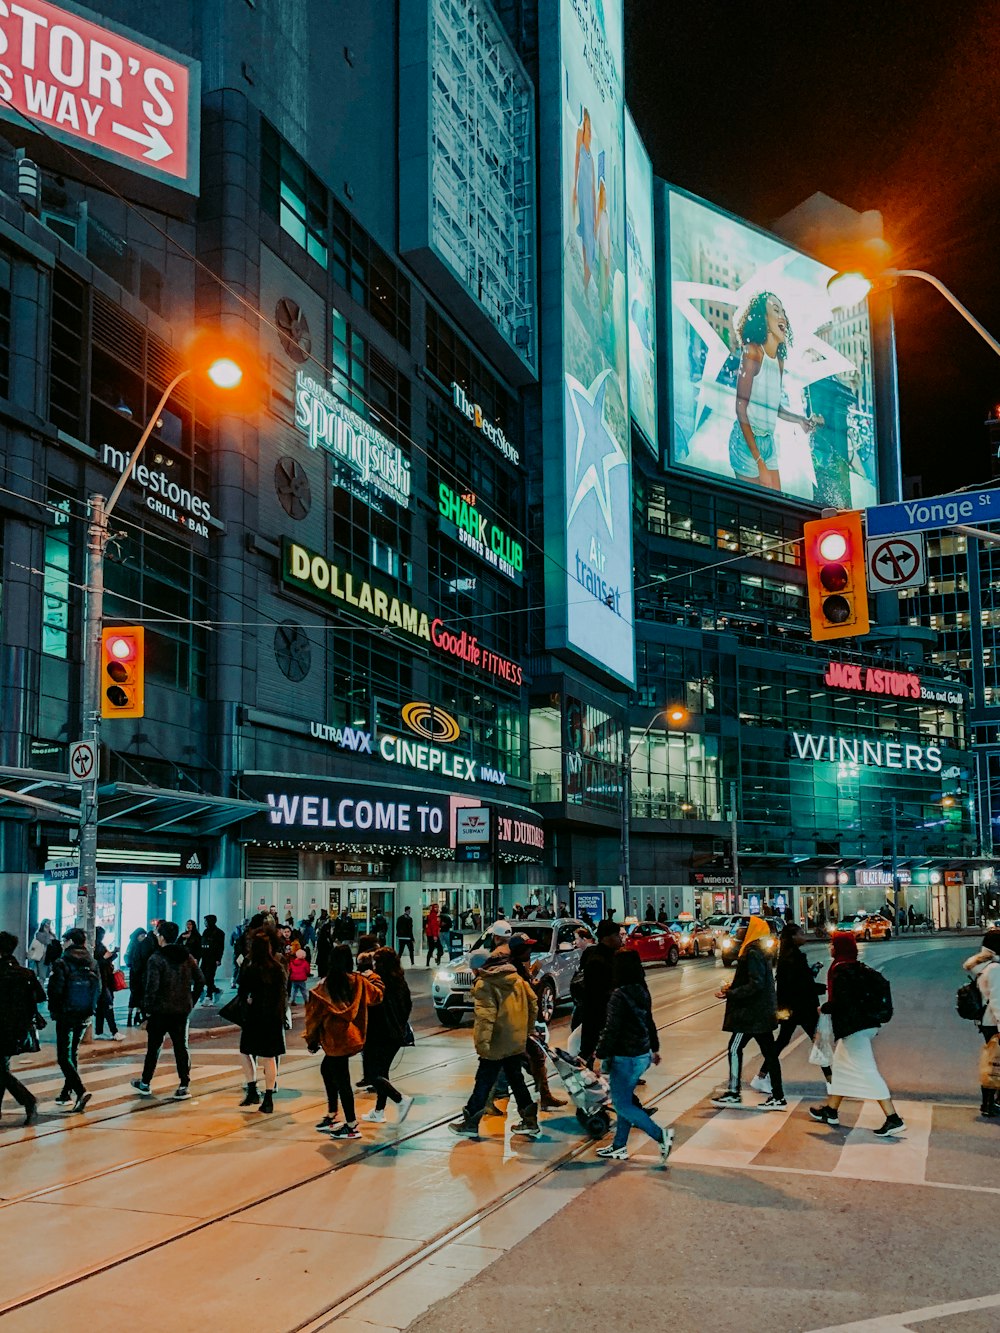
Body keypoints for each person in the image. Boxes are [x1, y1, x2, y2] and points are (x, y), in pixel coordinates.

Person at [809, 931, 904, 1136]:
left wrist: (825, 1008)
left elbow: (843, 1001)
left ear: (840, 948)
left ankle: (893, 1118)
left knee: (867, 1070)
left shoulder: (841, 970)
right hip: (864, 1024)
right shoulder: (853, 966)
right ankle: (831, 1110)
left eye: (833, 944)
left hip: (856, 1028)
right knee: (842, 1068)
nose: (830, 947)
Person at [730, 291, 823, 492]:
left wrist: (799, 419)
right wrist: (759, 462)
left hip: (767, 442)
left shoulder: (778, 361)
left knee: (774, 509)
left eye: (783, 311)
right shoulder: (752, 352)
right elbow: (740, 409)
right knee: (757, 510)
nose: (782, 316)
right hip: (746, 444)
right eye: (775, 310)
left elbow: (774, 406)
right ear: (763, 319)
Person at [449, 947, 540, 1139]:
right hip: (515, 1040)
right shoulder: (516, 979)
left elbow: (485, 1018)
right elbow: (533, 1002)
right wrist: (528, 1029)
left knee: (483, 1081)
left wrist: (482, 1046)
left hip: (495, 1043)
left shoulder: (485, 984)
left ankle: (470, 1122)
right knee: (516, 1079)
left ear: (478, 968)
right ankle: (530, 1120)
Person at [594, 948, 673, 1165]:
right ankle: (619, 1146)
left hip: (624, 1058)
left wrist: (600, 1056)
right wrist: (655, 1048)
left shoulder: (619, 995)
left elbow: (612, 1029)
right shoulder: (641, 990)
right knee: (624, 1100)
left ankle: (660, 1136)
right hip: (641, 1055)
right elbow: (649, 1021)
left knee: (622, 1105)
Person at [305, 943, 384, 1140]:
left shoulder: (324, 986)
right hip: (351, 1036)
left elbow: (314, 1016)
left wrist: (311, 1040)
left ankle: (350, 1125)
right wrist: (372, 976)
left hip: (333, 1039)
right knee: (330, 1071)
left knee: (341, 1080)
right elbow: (378, 996)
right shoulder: (358, 981)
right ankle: (333, 1115)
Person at [712, 916, 786, 1110]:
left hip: (751, 1015)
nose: (741, 930)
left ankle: (734, 1092)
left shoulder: (752, 952)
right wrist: (734, 986)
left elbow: (756, 983)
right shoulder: (760, 951)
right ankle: (778, 1096)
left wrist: (732, 993)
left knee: (735, 1048)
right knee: (770, 1054)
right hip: (761, 1013)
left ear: (753, 931)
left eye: (746, 927)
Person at [751, 923, 830, 1096]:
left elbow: (798, 981)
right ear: (793, 937)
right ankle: (832, 1081)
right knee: (818, 1041)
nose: (804, 935)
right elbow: (801, 985)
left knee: (782, 1042)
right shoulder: (795, 958)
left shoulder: (786, 957)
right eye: (801, 933)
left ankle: (761, 1076)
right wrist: (819, 987)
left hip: (790, 1008)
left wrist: (811, 973)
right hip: (802, 1007)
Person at [131, 921, 204, 1099]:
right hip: (181, 1010)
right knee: (181, 1047)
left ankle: (146, 1082)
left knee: (154, 1048)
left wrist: (146, 1011)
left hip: (160, 1011)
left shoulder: (156, 958)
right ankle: (184, 1084)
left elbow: (152, 987)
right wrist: (191, 1000)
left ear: (161, 937)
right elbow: (200, 980)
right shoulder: (187, 957)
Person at [47, 929, 100, 1112]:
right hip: (85, 1013)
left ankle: (80, 1090)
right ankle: (66, 1092)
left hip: (66, 1014)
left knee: (63, 1056)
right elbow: (98, 988)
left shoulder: (62, 962)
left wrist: (54, 1010)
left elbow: (56, 990)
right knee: (73, 1052)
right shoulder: (92, 962)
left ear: (69, 941)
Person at [359, 947, 413, 1124]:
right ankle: (379, 1111)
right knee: (382, 1072)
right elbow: (408, 1006)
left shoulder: (378, 982)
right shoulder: (400, 981)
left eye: (375, 961)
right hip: (396, 1034)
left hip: (378, 1034)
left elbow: (372, 1006)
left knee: (371, 1074)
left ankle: (400, 1099)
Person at [236, 931, 287, 1113]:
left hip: (254, 1016)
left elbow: (242, 992)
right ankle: (268, 1097)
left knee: (245, 1052)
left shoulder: (251, 968)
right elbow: (282, 994)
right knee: (269, 1057)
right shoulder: (277, 968)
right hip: (273, 1018)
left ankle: (252, 1089)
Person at [0, 931, 46, 1125]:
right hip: (17, 1029)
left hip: (1, 1027)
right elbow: (41, 996)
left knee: (1, 1071)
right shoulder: (25, 974)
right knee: (2, 1069)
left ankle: (28, 1100)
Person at [962, 928, 1000, 1118]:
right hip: (994, 1023)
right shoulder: (995, 969)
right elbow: (997, 1001)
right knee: (995, 1063)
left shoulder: (984, 967)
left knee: (994, 1062)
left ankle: (990, 1103)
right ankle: (989, 1104)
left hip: (987, 1022)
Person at [578, 919, 624, 1067]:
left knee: (592, 1046)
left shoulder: (603, 954)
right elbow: (596, 991)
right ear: (607, 937)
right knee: (591, 1048)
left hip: (597, 1010)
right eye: (617, 935)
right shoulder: (599, 960)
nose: (620, 939)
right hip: (599, 1011)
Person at [93, 926, 123, 1041]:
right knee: (108, 1006)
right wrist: (111, 954)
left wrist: (113, 954)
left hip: (103, 980)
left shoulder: (97, 946)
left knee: (102, 1007)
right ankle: (114, 1031)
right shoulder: (98, 947)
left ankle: (99, 1031)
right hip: (103, 980)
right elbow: (102, 961)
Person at [128, 921, 161, 1023]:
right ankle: (132, 1016)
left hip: (136, 974)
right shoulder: (137, 946)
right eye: (142, 936)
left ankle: (135, 1016)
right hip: (137, 975)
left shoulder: (136, 945)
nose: (143, 938)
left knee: (137, 996)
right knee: (136, 995)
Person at [200, 914, 226, 1001]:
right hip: (204, 957)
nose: (205, 923)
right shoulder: (205, 932)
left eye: (206, 921)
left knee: (209, 976)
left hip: (213, 958)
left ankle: (209, 996)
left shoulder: (219, 933)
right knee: (202, 976)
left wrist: (218, 959)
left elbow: (220, 947)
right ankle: (216, 990)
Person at [27, 919, 56, 985]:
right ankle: (40, 990)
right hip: (41, 956)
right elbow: (46, 942)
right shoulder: (39, 934)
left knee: (45, 975)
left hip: (48, 956)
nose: (49, 925)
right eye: (47, 923)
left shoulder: (51, 935)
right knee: (41, 976)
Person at [288, 939, 311, 1005]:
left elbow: (290, 969)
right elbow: (307, 970)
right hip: (301, 979)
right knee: (303, 990)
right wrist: (307, 974)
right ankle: (306, 1000)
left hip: (294, 978)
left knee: (293, 990)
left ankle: (292, 1000)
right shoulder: (305, 963)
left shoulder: (292, 962)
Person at [425, 903, 443, 967]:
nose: (437, 908)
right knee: (440, 949)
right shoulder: (433, 916)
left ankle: (428, 963)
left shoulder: (432, 915)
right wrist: (435, 935)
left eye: (437, 907)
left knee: (431, 949)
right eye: (435, 907)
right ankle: (437, 960)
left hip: (431, 935)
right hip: (433, 935)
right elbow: (433, 926)